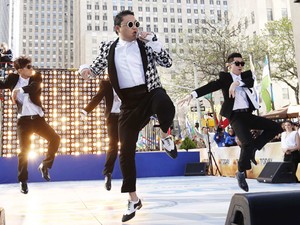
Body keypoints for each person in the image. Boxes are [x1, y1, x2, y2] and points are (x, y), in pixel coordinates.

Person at [78, 10, 177, 222]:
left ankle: (166, 135)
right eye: (130, 24)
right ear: (118, 28)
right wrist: (84, 70)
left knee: (165, 103)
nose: (135, 28)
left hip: (150, 92)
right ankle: (133, 198)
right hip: (129, 104)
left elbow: (167, 62)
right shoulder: (109, 48)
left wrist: (154, 41)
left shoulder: (145, 44)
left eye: (136, 24)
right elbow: (93, 69)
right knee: (125, 151)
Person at [178, 52, 283, 192]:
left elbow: (250, 82)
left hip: (248, 114)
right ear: (229, 65)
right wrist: (192, 95)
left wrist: (236, 83)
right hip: (235, 116)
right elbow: (210, 87)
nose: (240, 66)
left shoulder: (246, 76)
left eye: (242, 63)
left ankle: (253, 149)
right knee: (247, 143)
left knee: (275, 127)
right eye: (237, 63)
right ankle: (240, 173)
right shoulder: (224, 78)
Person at [0, 56, 60, 194]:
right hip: (24, 121)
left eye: (31, 65)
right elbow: (2, 84)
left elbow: (34, 88)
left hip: (38, 119)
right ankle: (23, 181)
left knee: (55, 138)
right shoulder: (13, 79)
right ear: (20, 70)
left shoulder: (36, 77)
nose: (31, 68)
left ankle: (45, 165)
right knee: (23, 151)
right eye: (28, 67)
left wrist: (18, 91)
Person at [80, 79, 121, 191]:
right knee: (113, 145)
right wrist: (86, 111)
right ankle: (108, 173)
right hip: (112, 117)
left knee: (128, 145)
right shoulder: (106, 83)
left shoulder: (127, 80)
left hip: (125, 116)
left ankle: (128, 177)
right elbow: (97, 97)